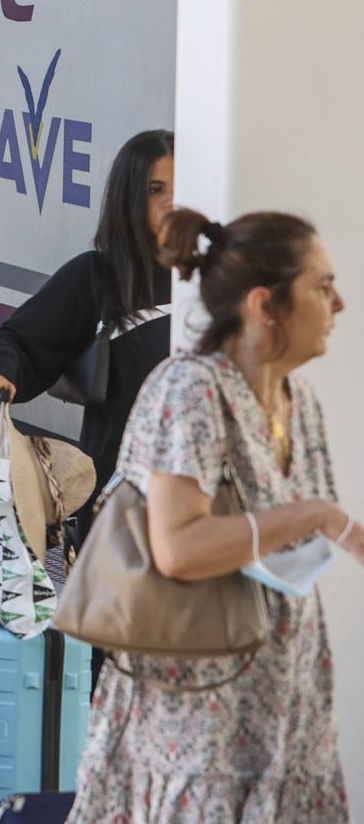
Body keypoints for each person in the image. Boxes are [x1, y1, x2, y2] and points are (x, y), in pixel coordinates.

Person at [67, 207, 361, 822]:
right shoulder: (190, 389)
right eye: (322, 286)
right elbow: (179, 547)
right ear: (264, 305)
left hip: (283, 695)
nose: (338, 305)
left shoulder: (296, 398)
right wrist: (315, 514)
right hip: (196, 708)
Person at [0, 130, 177, 498]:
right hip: (117, 505)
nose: (172, 203)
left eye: (183, 188)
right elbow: (19, 340)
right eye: (155, 190)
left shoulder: (218, 278)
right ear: (129, 197)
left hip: (202, 506)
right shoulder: (99, 276)